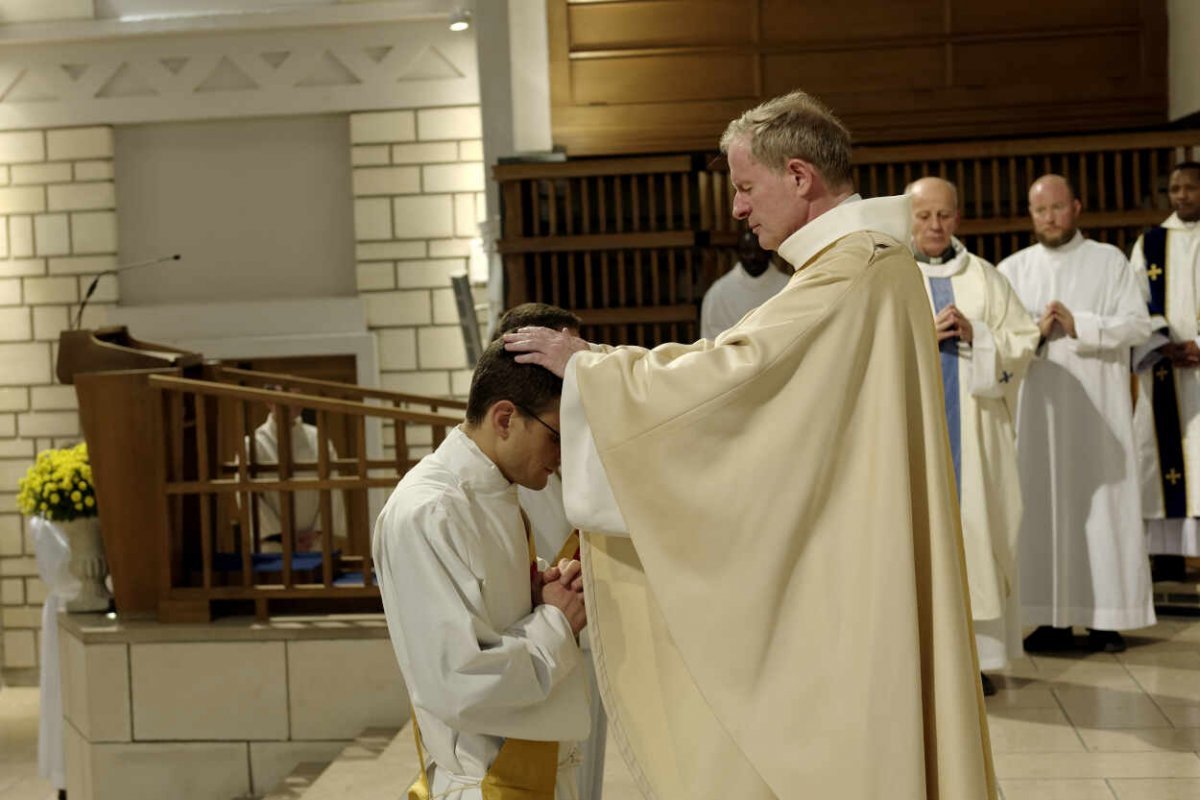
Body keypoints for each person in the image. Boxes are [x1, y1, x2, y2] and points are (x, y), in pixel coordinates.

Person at [505, 90, 994, 800]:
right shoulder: (874, 264)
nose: (735, 208)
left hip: (850, 563)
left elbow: (736, 374)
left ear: (799, 177)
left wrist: (589, 367)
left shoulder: (849, 272)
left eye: (743, 186)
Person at [373, 340, 591, 800]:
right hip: (485, 784)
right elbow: (459, 680)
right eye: (557, 436)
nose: (563, 458)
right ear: (506, 418)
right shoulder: (426, 511)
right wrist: (555, 621)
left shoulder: (495, 493)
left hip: (538, 767)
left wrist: (539, 593)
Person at [998, 174, 1154, 654]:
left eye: (1058, 208)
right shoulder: (1012, 269)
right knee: (1043, 508)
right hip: (1039, 415)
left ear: (1077, 208)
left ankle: (1106, 618)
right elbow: (1001, 341)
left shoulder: (1109, 262)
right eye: (1040, 210)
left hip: (1098, 417)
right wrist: (1036, 332)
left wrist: (1079, 324)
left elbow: (1138, 325)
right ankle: (1048, 619)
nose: (1049, 218)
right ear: (1031, 215)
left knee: (1104, 515)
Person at [908, 177, 1040, 695]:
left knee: (979, 537)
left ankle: (976, 663)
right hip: (913, 439)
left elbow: (1023, 341)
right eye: (924, 216)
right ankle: (918, 666)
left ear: (958, 218)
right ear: (908, 220)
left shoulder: (984, 278)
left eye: (944, 215)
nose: (935, 226)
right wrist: (922, 332)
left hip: (978, 442)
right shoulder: (889, 278)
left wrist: (976, 335)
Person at [492, 302, 608, 800]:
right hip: (529, 655)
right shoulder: (490, 467)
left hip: (593, 642)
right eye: (561, 357)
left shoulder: (597, 440)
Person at [1131, 162, 1200, 564]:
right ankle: (1167, 560)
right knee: (1167, 465)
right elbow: (1134, 301)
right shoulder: (1151, 243)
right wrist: (1163, 343)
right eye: (1175, 188)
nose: (1181, 195)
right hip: (1166, 371)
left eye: (1190, 187)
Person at [246, 397, 346, 554]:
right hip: (273, 545)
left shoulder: (319, 440)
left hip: (314, 542)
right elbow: (247, 495)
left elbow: (333, 487)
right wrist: (280, 535)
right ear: (268, 400)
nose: (293, 403)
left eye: (297, 396)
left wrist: (318, 530)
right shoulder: (252, 444)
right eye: (286, 396)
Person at [699, 229, 790, 339]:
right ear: (739, 253)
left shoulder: (789, 287)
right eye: (747, 251)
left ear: (769, 252)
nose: (753, 257)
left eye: (758, 250)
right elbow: (711, 342)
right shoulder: (718, 293)